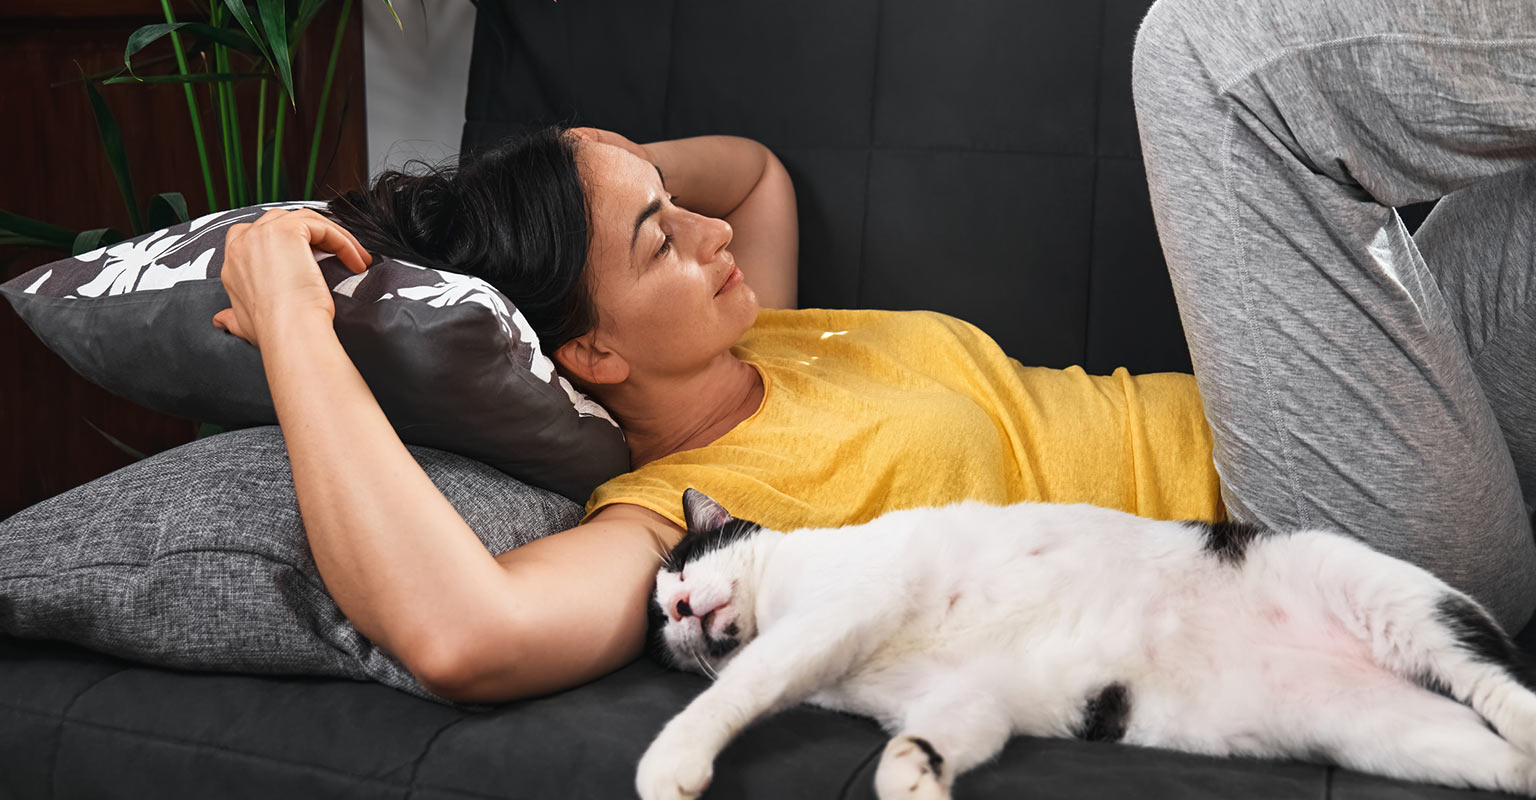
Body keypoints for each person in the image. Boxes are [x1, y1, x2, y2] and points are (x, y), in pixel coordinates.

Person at [210, 0, 1536, 703]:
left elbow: (758, 173)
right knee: (1198, 55)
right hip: (1326, 546)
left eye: (680, 219)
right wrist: (294, 318)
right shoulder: (685, 520)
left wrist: (588, 192)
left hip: (1425, 431)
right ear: (596, 352)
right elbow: (462, 632)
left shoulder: (767, 327)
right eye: (664, 245)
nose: (711, 230)